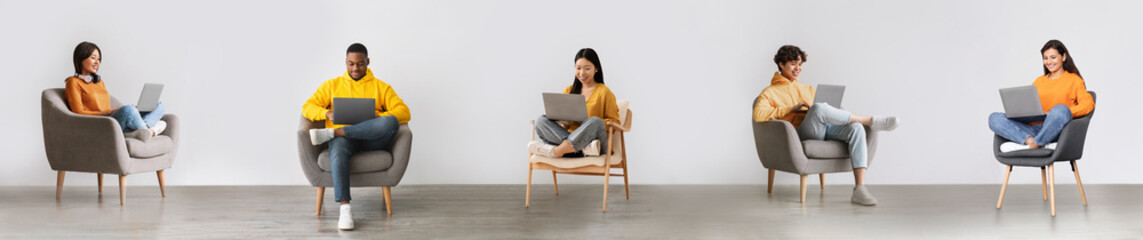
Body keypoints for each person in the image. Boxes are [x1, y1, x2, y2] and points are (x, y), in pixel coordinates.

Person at [753, 45, 899, 206]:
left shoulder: (807, 89)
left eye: (800, 65)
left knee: (856, 128)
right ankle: (870, 121)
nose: (798, 68)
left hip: (823, 127)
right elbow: (758, 114)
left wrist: (828, 110)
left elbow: (825, 112)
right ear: (781, 64)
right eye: (794, 63)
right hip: (799, 134)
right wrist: (790, 109)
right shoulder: (770, 92)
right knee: (819, 108)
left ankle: (859, 189)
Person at [303, 43, 410, 231]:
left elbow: (404, 112)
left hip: (372, 140)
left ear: (368, 62)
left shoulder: (381, 87)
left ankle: (335, 132)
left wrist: (377, 117)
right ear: (345, 62)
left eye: (360, 64)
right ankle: (345, 208)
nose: (355, 68)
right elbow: (307, 107)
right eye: (351, 64)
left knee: (391, 122)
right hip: (344, 141)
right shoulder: (332, 85)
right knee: (338, 149)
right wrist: (327, 114)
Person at [989, 40, 1094, 152]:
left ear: (1063, 57)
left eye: (1053, 57)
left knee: (1060, 110)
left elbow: (1088, 104)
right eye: (1045, 58)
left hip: (1055, 129)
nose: (1049, 62)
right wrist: (1020, 112)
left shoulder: (1074, 80)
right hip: (1032, 130)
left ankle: (1032, 145)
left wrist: (1059, 113)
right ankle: (1033, 143)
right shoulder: (1039, 81)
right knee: (994, 118)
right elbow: (1028, 104)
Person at [64, 41, 167, 141]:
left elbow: (107, 108)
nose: (97, 62)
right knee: (129, 110)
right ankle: (151, 131)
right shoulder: (73, 82)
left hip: (113, 119)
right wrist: (109, 112)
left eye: (99, 59)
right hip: (102, 124)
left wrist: (122, 111)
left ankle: (141, 130)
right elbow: (78, 113)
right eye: (93, 58)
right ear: (80, 59)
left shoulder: (99, 82)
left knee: (158, 105)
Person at [530, 48, 619, 158]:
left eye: (587, 68)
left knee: (595, 121)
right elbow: (565, 126)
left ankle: (557, 151)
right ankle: (580, 149)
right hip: (580, 144)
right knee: (541, 120)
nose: (582, 73)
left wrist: (587, 124)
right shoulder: (569, 91)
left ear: (596, 69)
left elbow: (615, 123)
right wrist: (562, 121)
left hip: (596, 144)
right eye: (578, 68)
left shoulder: (604, 92)